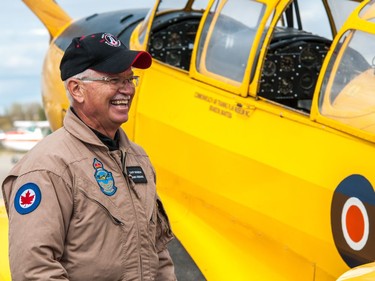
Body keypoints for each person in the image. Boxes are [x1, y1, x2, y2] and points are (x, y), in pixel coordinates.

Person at [2, 32, 177, 281]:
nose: (127, 89)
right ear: (77, 89)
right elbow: (35, 270)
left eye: (130, 79)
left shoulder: (139, 158)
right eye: (114, 79)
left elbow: (158, 254)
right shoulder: (48, 167)